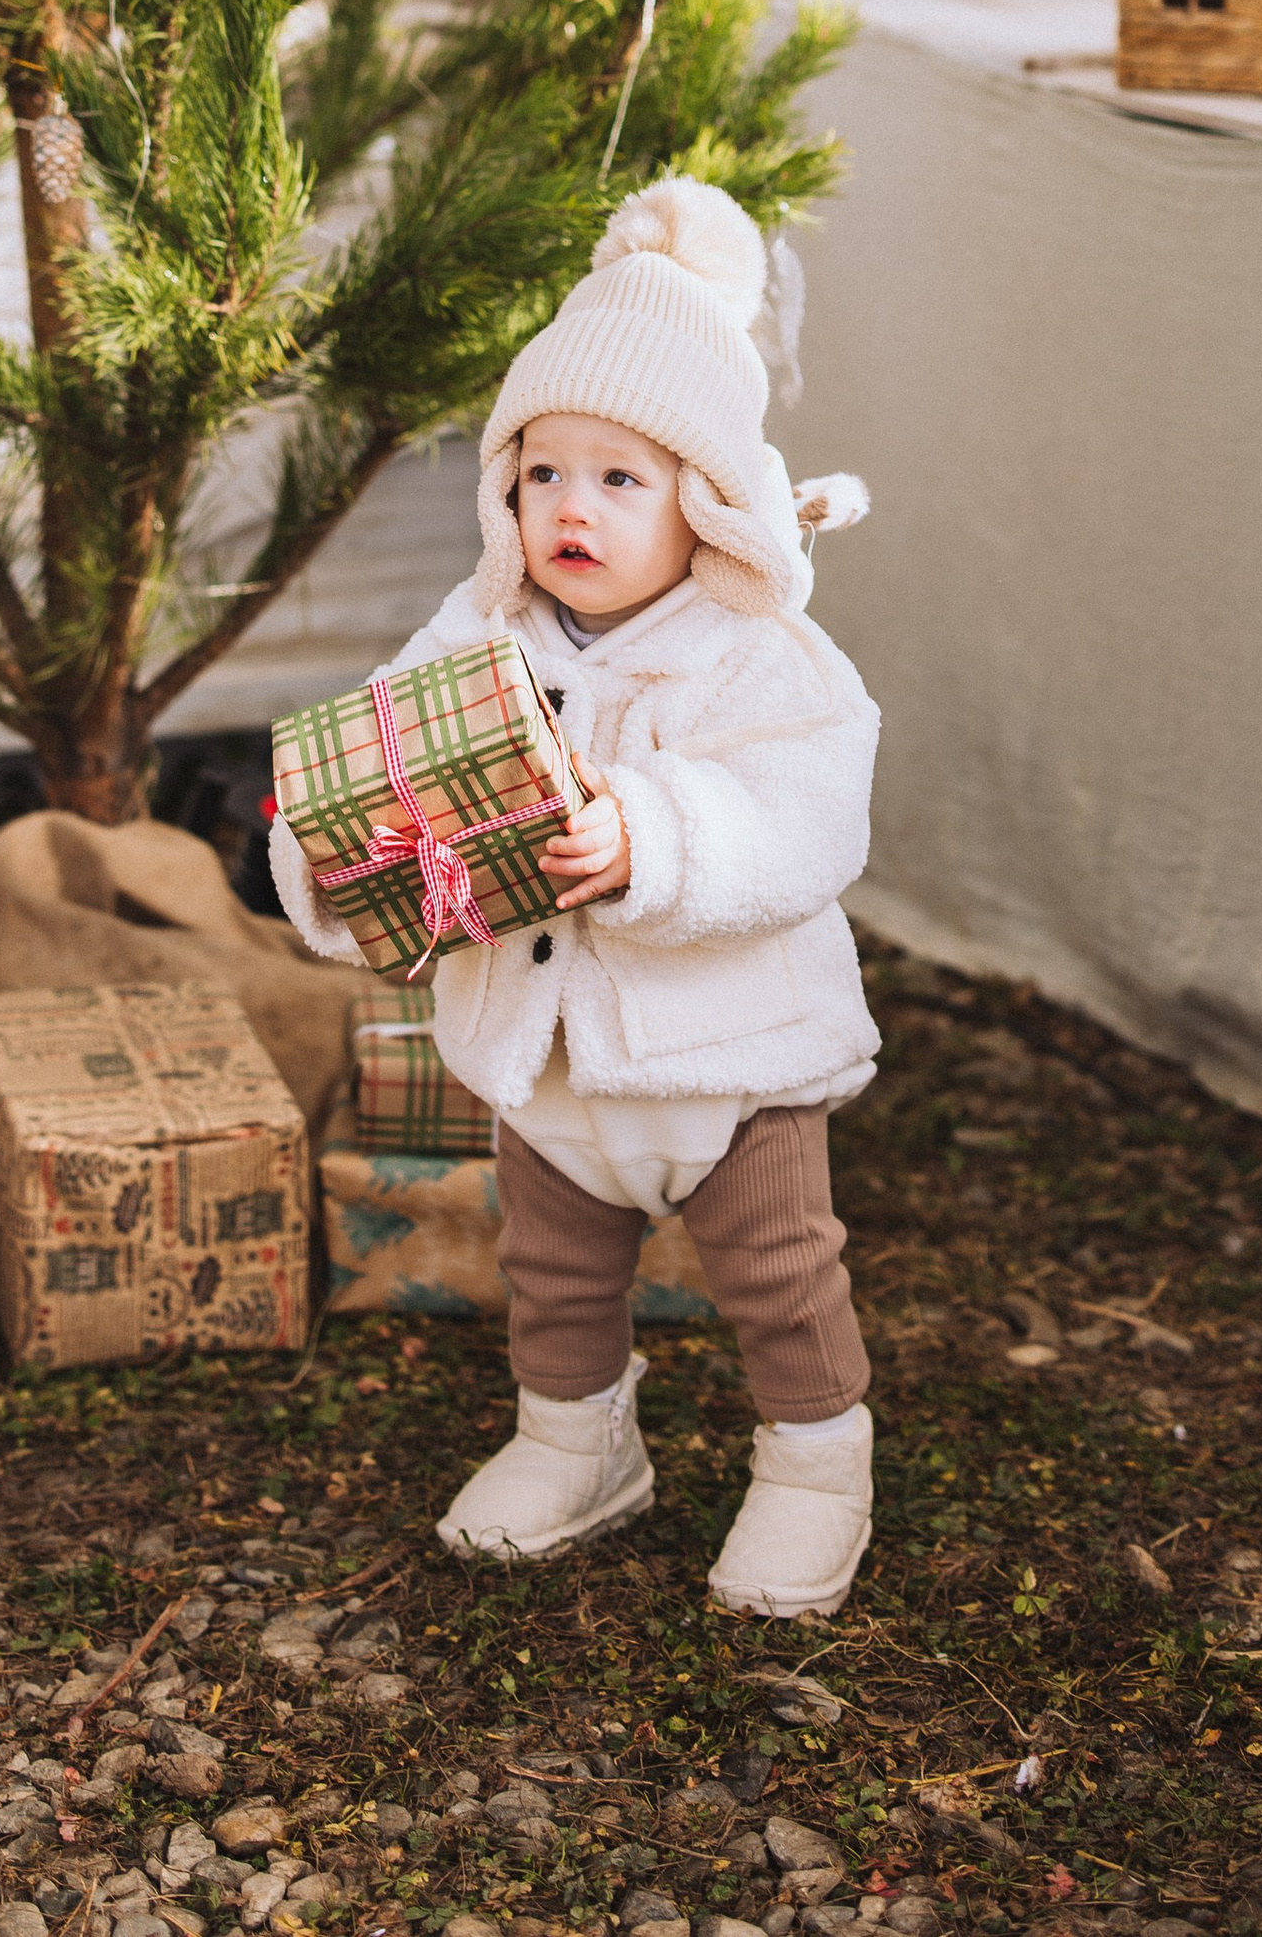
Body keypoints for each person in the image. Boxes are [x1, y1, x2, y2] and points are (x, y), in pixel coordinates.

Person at [272, 174, 879, 1620]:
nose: (572, 508)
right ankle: (575, 1438)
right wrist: (329, 841)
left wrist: (652, 837)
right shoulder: (475, 628)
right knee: (550, 1271)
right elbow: (392, 746)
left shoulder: (760, 649)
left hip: (729, 1066)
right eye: (543, 472)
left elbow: (807, 814)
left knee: (779, 1275)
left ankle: (812, 1467)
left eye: (621, 477)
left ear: (705, 494)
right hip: (547, 1060)